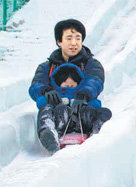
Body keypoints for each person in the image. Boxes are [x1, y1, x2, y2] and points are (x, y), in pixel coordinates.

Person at [28, 19, 108, 153]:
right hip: (59, 113)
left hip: (83, 111)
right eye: (69, 38)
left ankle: (96, 139)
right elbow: (36, 84)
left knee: (104, 113)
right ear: (59, 42)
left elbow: (95, 80)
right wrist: (45, 91)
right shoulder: (47, 67)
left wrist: (84, 94)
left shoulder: (91, 64)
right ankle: (50, 135)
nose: (74, 43)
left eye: (78, 38)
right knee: (45, 111)